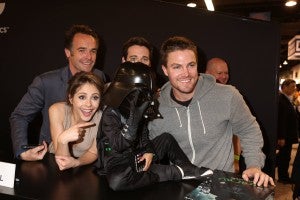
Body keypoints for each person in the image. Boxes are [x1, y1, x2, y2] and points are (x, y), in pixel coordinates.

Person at [148, 36, 275, 187]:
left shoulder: (227, 95)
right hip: (178, 187)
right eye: (177, 67)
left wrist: (254, 164)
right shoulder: (156, 105)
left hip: (219, 186)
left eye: (191, 65)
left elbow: (249, 130)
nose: (186, 73)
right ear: (165, 70)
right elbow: (151, 148)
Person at [95, 62, 213, 191]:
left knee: (166, 139)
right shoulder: (110, 114)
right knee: (117, 182)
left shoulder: (139, 109)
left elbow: (144, 136)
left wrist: (149, 151)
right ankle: (176, 172)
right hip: (118, 163)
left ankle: (188, 169)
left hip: (137, 157)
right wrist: (133, 120)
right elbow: (118, 145)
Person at [10, 24, 106, 161]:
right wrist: (22, 150)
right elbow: (19, 116)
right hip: (51, 157)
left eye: (93, 51)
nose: (89, 57)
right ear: (68, 52)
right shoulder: (45, 82)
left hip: (86, 159)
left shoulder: (100, 77)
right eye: (82, 50)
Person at [48, 72, 104, 170]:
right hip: (53, 162)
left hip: (84, 166)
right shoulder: (56, 110)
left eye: (95, 97)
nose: (88, 104)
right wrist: (63, 140)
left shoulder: (102, 117)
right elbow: (62, 159)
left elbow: (93, 152)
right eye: (82, 97)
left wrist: (77, 163)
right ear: (71, 98)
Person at [205, 57, 242, 173]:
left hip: (224, 167)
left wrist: (235, 161)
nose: (224, 76)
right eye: (219, 73)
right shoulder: (195, 95)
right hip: (198, 166)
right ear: (207, 74)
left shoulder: (231, 97)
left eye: (226, 73)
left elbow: (238, 134)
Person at [277, 79, 299, 184]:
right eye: (292, 87)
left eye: (294, 87)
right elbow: (281, 120)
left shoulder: (287, 99)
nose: (294, 89)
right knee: (284, 157)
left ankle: (284, 176)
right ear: (284, 87)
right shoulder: (281, 100)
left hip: (288, 135)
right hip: (285, 136)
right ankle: (283, 177)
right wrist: (281, 137)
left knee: (286, 156)